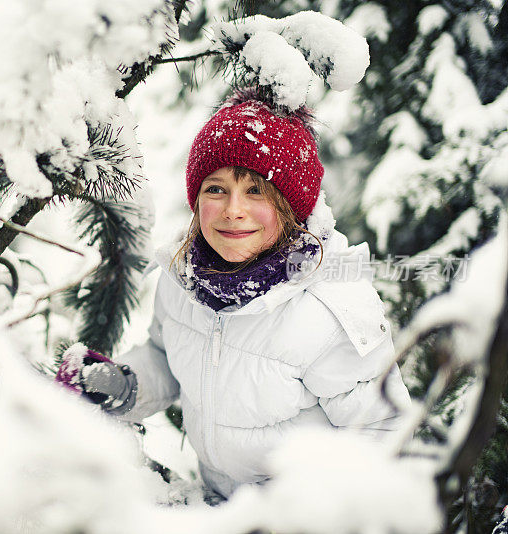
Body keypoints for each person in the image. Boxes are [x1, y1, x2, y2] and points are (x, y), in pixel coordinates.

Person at [55, 88, 411, 500]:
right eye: (215, 189)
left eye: (256, 190)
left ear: (291, 206)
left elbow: (383, 439)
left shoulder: (328, 309)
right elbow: (168, 354)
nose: (232, 210)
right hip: (216, 499)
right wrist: (125, 385)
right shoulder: (185, 280)